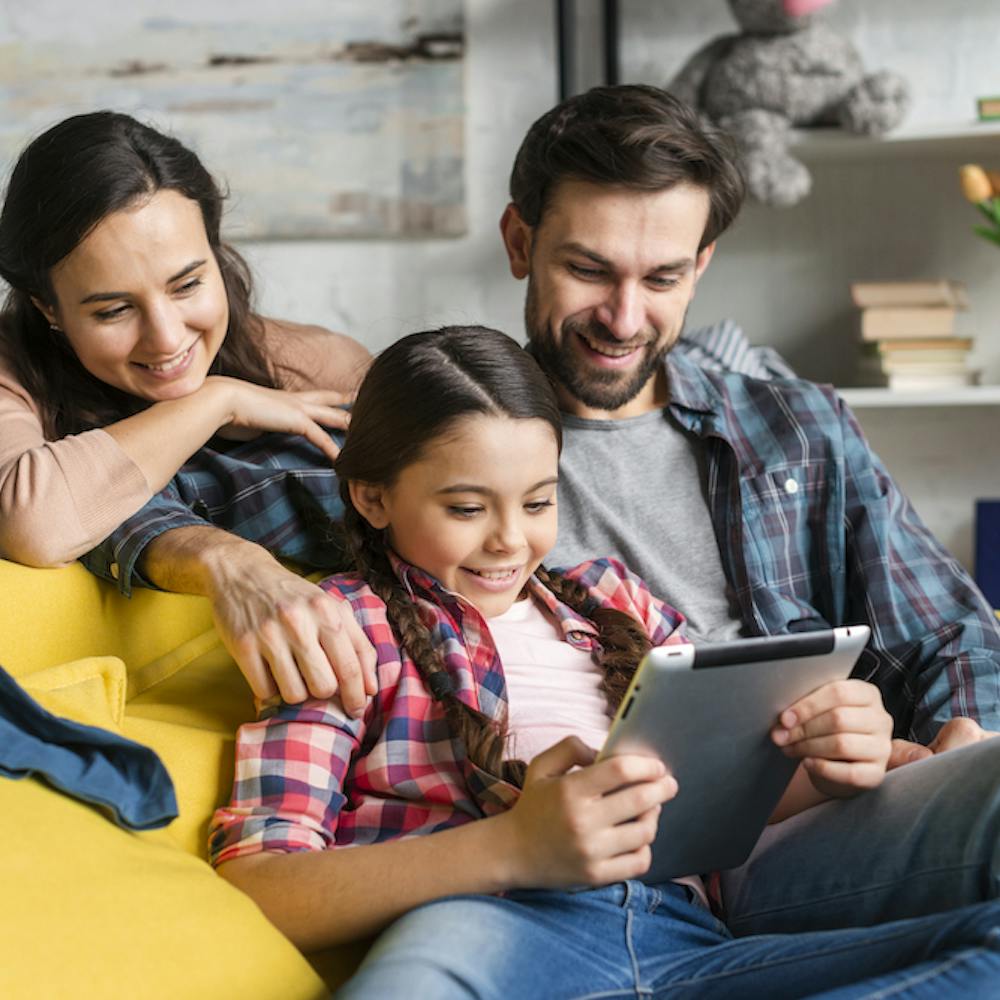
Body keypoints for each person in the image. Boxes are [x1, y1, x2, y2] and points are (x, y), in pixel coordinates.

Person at [210, 325, 1000, 998]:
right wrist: (510, 848)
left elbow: (718, 799)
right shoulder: (343, 630)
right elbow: (259, 884)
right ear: (372, 497)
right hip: (494, 928)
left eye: (538, 501)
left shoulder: (617, 603)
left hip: (695, 936)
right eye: (465, 507)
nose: (509, 541)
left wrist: (825, 761)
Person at [495, 83, 1000, 935]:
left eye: (661, 277)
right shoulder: (444, 447)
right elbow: (217, 486)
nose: (623, 318)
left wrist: (968, 738)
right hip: (624, 862)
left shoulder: (793, 425)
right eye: (587, 270)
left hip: (833, 825)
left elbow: (950, 627)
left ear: (701, 265)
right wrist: (213, 554)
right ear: (520, 242)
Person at [0, 111, 376, 709]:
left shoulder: (314, 365)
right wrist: (215, 400)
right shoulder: (10, 372)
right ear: (48, 307)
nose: (166, 338)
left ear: (214, 251)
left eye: (187, 285)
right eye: (112, 310)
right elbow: (36, 525)